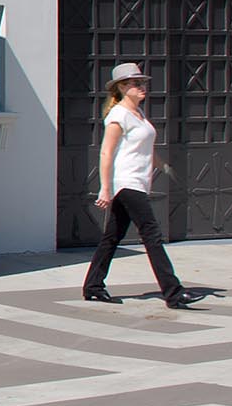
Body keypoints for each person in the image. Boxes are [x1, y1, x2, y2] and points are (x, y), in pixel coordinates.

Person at [79, 62, 209, 310]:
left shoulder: (138, 115)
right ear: (122, 87)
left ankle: (93, 286)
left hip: (138, 182)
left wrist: (165, 167)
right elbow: (106, 153)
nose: (142, 87)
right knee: (151, 234)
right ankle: (173, 292)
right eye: (136, 84)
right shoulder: (118, 115)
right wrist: (105, 188)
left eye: (142, 83)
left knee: (112, 237)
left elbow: (145, 148)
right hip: (127, 184)